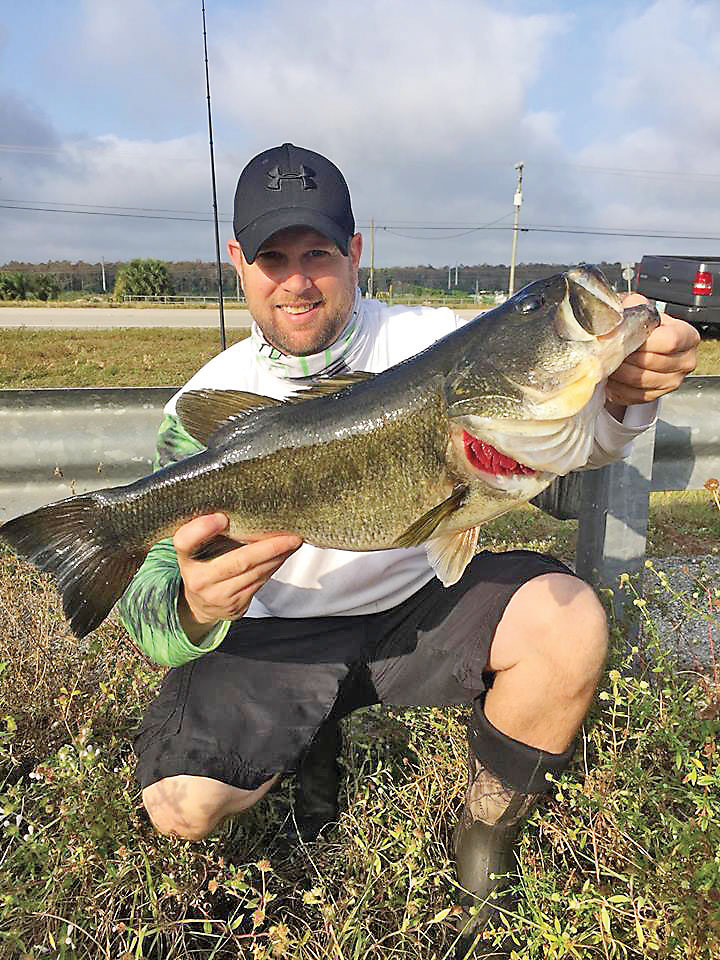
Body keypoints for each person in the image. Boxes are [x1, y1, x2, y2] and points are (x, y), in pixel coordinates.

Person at [118, 143, 699, 956]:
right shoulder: (203, 407)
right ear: (238, 264)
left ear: (355, 253)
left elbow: (571, 433)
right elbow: (145, 609)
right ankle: (305, 754)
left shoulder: (438, 341)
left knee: (568, 622)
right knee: (180, 805)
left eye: (317, 253)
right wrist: (191, 604)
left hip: (414, 612)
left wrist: (628, 388)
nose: (296, 279)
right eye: (271, 258)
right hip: (278, 637)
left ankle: (486, 847)